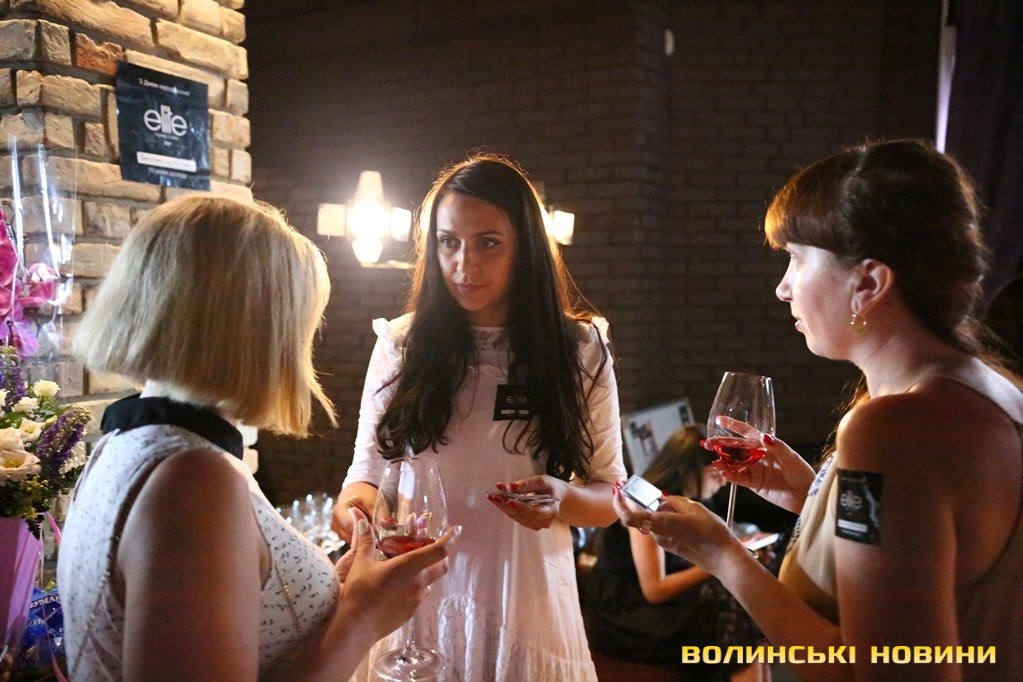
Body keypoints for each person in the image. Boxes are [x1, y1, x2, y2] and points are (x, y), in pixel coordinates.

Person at [613, 139, 1023, 681]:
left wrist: (721, 554)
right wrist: (813, 496)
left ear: (868, 283)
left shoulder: (893, 429)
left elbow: (881, 672)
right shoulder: (992, 390)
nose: (783, 288)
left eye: (797, 258)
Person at [57, 196, 457, 680]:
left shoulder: (125, 441)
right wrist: (366, 618)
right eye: (303, 322)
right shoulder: (193, 480)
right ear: (256, 328)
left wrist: (334, 592)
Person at [333, 153, 626, 681]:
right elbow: (366, 474)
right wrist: (361, 515)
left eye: (487, 243)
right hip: (416, 597)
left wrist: (563, 499)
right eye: (449, 242)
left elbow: (611, 496)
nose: (464, 265)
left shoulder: (579, 348)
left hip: (526, 600)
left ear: (526, 248)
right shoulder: (401, 344)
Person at [587, 425, 767, 681]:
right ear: (687, 471)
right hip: (629, 613)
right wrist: (723, 562)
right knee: (729, 604)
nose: (723, 481)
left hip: (664, 603)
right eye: (714, 475)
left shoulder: (690, 499)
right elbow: (654, 589)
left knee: (738, 598)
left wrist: (737, 550)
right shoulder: (646, 504)